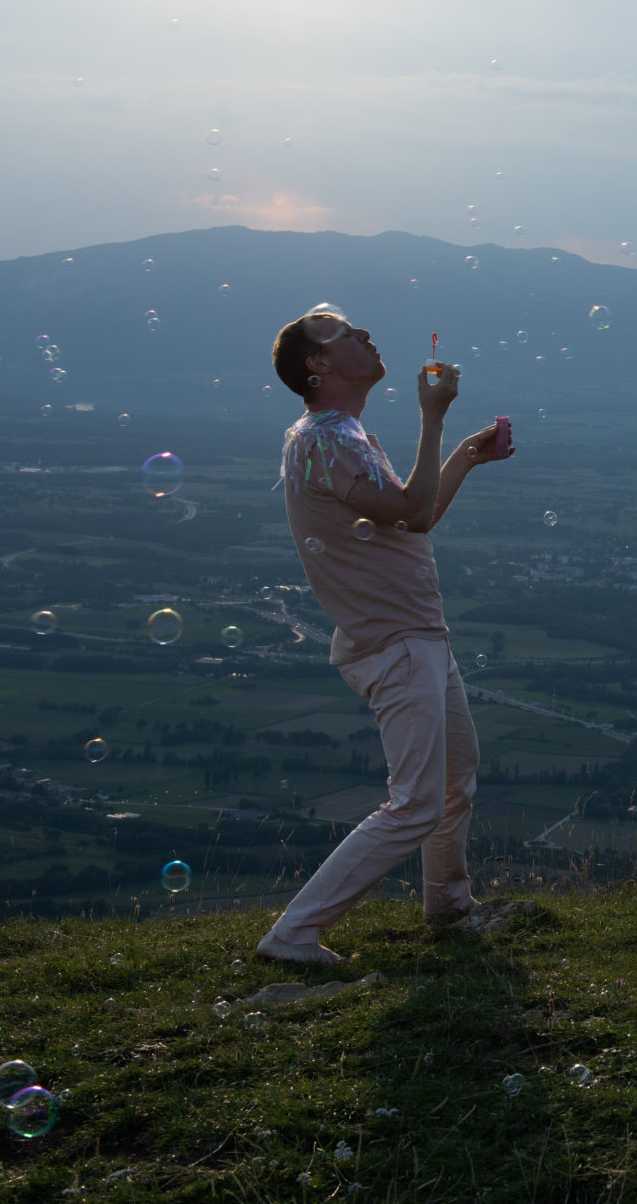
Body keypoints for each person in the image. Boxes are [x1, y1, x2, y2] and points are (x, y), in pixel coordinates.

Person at [254, 307, 516, 965]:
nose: (365, 335)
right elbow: (412, 512)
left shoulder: (336, 435)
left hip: (416, 633)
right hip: (396, 641)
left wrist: (464, 456)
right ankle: (294, 932)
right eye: (344, 333)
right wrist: (434, 418)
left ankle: (448, 903)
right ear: (318, 364)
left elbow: (409, 517)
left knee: (453, 778)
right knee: (418, 801)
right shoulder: (326, 440)